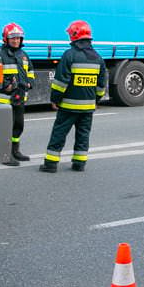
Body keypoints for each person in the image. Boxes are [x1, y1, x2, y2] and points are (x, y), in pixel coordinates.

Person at [40, 20, 107, 173]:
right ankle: (79, 164)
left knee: (59, 133)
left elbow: (60, 83)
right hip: (88, 107)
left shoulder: (69, 55)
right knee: (83, 135)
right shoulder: (98, 58)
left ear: (74, 35)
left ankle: (50, 164)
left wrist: (55, 100)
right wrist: (95, 100)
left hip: (68, 106)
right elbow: (101, 85)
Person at [0, 22, 35, 166]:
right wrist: (5, 85)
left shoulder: (24, 55)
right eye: (13, 38)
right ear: (6, 39)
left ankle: (15, 151)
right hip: (5, 99)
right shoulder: (0, 54)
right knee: (6, 128)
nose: (16, 40)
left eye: (18, 38)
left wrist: (30, 83)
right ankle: (5, 155)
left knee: (18, 125)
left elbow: (30, 71)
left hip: (20, 98)